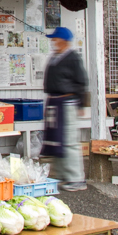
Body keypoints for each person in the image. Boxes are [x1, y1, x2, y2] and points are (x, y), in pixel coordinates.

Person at [40, 26, 89, 191]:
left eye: (55, 39)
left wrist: (81, 104)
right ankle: (60, 175)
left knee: (69, 141)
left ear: (63, 40)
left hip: (67, 102)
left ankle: (76, 178)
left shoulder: (73, 57)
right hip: (54, 102)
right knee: (56, 141)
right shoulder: (55, 56)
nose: (53, 42)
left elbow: (81, 82)